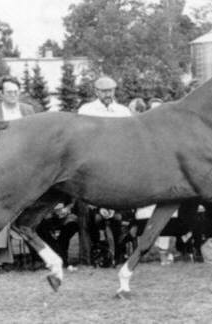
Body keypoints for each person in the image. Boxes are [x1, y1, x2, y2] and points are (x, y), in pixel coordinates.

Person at [76, 76, 131, 265]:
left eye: (111, 90)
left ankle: (118, 255)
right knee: (88, 215)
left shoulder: (123, 112)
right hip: (93, 167)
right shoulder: (86, 110)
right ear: (96, 91)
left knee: (119, 215)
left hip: (117, 167)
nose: (108, 94)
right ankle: (89, 257)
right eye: (104, 91)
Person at [0, 76, 35, 144]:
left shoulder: (28, 110)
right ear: (1, 93)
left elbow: (34, 136)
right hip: (0, 153)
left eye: (16, 92)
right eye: (9, 92)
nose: (13, 95)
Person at [36, 201, 79, 272]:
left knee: (67, 232)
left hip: (65, 218)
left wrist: (67, 208)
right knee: (42, 231)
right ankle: (57, 258)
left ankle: (62, 259)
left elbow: (72, 203)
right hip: (47, 219)